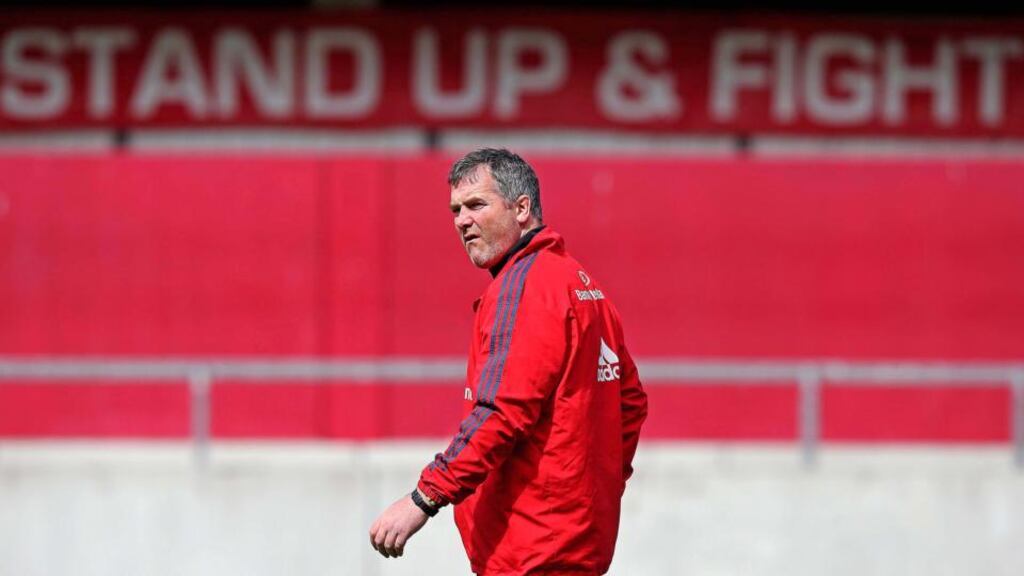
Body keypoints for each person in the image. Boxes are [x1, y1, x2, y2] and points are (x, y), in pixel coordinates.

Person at [369, 148, 648, 575]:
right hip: (574, 544)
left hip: (531, 552)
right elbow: (630, 403)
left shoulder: (525, 288)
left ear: (522, 209)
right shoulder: (577, 281)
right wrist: (593, 493)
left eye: (477, 205)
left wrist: (423, 498)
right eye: (456, 210)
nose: (462, 220)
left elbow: (500, 413)